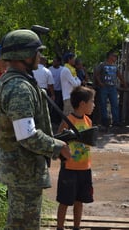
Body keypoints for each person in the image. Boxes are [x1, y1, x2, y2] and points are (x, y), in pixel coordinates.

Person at [0, 29, 71, 229]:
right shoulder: (20, 88)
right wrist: (58, 147)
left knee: (20, 222)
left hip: (18, 169)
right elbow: (27, 135)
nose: (40, 57)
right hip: (23, 171)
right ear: (25, 56)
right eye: (37, 52)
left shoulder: (9, 81)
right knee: (24, 224)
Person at [56, 86, 95, 230]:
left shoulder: (88, 122)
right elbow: (58, 141)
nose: (94, 105)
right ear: (83, 104)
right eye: (92, 101)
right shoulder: (68, 120)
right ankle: (59, 227)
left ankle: (76, 227)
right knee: (65, 201)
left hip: (85, 168)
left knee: (80, 201)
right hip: (69, 169)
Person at [94, 51, 127, 128]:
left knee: (115, 104)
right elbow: (96, 74)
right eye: (114, 56)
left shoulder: (115, 66)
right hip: (104, 87)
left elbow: (119, 75)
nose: (115, 58)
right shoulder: (102, 65)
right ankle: (105, 121)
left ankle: (116, 121)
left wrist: (124, 83)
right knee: (103, 104)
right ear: (110, 56)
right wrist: (100, 83)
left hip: (113, 87)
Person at [49, 56, 64, 124]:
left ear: (59, 62)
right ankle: (53, 120)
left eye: (55, 61)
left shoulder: (62, 69)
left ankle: (58, 120)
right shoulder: (50, 69)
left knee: (59, 105)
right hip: (52, 90)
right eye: (53, 61)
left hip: (60, 90)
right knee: (52, 105)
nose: (53, 63)